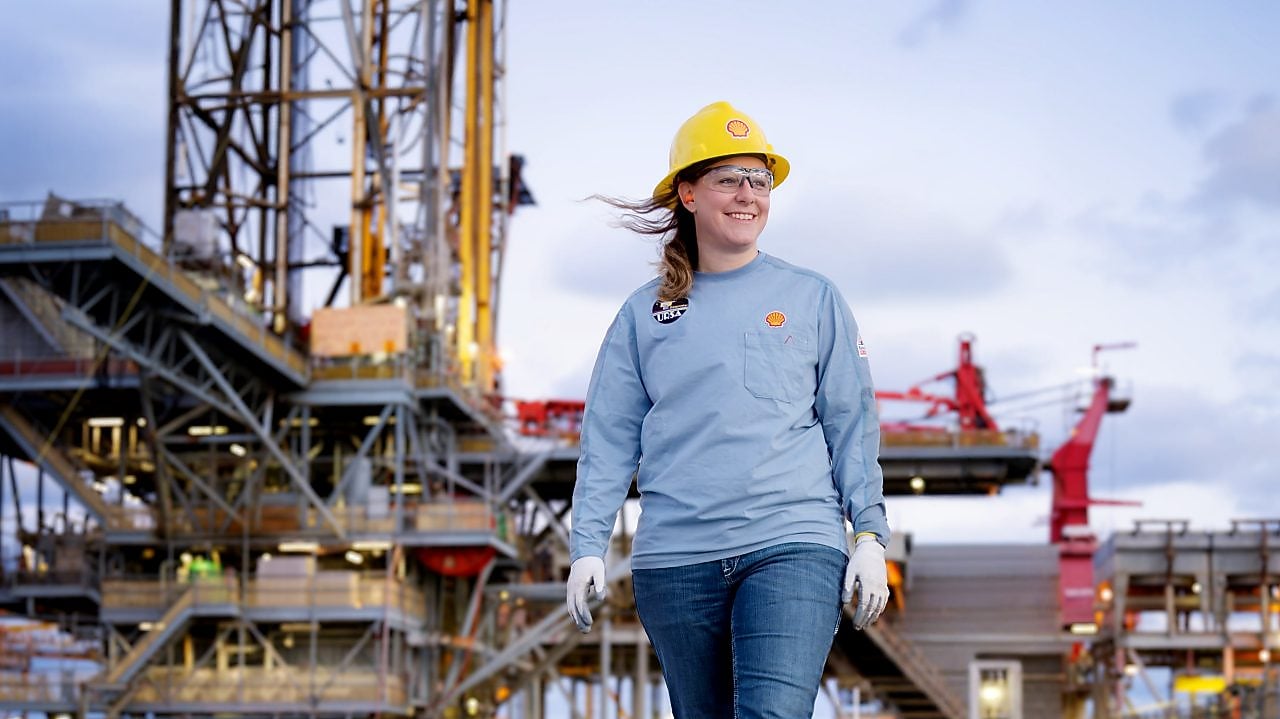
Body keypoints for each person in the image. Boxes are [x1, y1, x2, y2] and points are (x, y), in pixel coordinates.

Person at [565, 101, 890, 719]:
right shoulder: (644, 315)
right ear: (687, 194)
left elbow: (852, 424)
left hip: (791, 542)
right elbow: (607, 438)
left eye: (759, 180)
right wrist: (588, 545)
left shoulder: (813, 298)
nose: (748, 195)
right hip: (675, 562)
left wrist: (869, 533)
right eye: (728, 179)